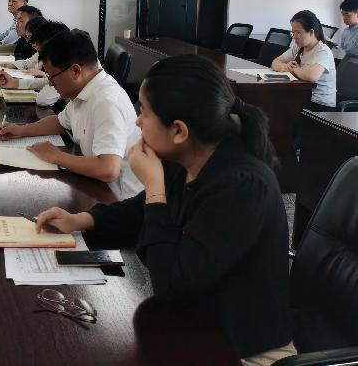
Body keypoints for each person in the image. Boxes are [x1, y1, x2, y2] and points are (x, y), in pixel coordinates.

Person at [34, 55, 294, 365]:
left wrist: (155, 189)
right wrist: (83, 219)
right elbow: (141, 211)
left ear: (179, 131)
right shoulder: (186, 158)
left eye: (144, 112)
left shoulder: (242, 186)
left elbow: (173, 285)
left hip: (241, 348)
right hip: (193, 323)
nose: (137, 122)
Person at [0, 29, 143, 198]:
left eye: (52, 76)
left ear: (75, 71)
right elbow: (59, 122)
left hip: (118, 198)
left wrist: (57, 156)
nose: (50, 83)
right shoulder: (86, 89)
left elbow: (108, 169)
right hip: (94, 184)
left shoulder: (107, 101)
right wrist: (22, 130)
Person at [271, 10, 336, 110]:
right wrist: (285, 66)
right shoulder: (298, 47)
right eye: (293, 33)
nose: (294, 37)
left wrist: (294, 69)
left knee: (277, 105)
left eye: (298, 32)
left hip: (320, 105)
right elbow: (275, 62)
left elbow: (311, 76)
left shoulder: (323, 51)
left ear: (311, 32)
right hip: (302, 96)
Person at [0, 19, 67, 107]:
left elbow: (43, 100)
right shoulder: (57, 58)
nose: (42, 60)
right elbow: (48, 81)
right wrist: (15, 83)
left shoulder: (64, 68)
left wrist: (44, 75)